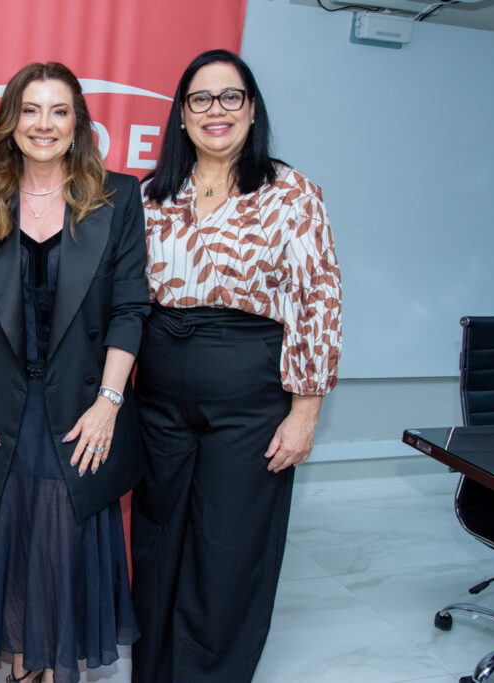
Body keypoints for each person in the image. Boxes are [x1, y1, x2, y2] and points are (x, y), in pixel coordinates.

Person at [130, 49, 343, 682]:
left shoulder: (290, 192)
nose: (215, 110)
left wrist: (305, 412)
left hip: (250, 400)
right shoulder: (151, 195)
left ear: (252, 111)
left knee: (228, 551)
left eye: (230, 97)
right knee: (159, 543)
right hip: (160, 400)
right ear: (181, 115)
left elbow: (319, 302)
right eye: (201, 98)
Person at [0, 62, 148, 683]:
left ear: (78, 122)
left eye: (58, 110)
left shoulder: (117, 197)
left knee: (62, 548)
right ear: (10, 120)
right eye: (30, 110)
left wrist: (110, 402)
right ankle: (20, 670)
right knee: (9, 546)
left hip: (81, 409)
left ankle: (55, 670)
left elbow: (129, 308)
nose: (44, 124)